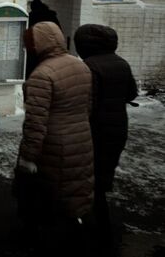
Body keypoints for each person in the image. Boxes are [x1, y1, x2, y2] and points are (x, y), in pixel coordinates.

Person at [18, 21, 94, 249]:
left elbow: (35, 122)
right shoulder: (80, 66)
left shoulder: (42, 75)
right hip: (81, 139)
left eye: (30, 44)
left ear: (39, 44)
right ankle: (74, 228)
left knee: (47, 193)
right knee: (74, 188)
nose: (27, 49)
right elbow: (87, 105)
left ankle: (49, 242)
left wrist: (28, 156)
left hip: (54, 145)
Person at [74, 24, 138, 249]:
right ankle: (101, 223)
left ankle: (98, 228)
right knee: (103, 174)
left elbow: (87, 102)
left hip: (95, 128)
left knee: (90, 176)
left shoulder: (89, 67)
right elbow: (132, 93)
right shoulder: (121, 62)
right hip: (118, 127)